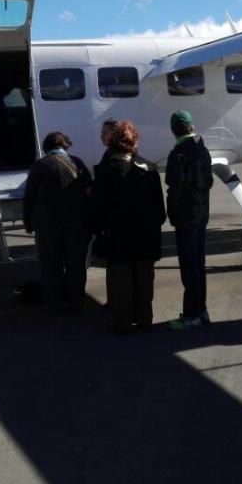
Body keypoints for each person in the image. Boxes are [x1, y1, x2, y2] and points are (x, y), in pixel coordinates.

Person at [93, 121, 166, 334]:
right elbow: (160, 211)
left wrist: (100, 229)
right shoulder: (149, 168)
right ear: (135, 141)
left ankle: (123, 323)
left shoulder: (106, 169)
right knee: (144, 280)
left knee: (121, 282)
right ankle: (144, 320)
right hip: (145, 236)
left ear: (113, 142)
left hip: (119, 237)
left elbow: (99, 207)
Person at [22, 131, 92, 313]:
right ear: (65, 146)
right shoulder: (77, 163)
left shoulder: (39, 165)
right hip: (76, 223)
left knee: (50, 264)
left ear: (46, 148)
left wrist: (28, 222)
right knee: (76, 264)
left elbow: (29, 197)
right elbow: (89, 191)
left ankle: (55, 303)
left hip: (47, 225)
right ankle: (76, 301)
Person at [164, 110, 213, 330]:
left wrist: (172, 215)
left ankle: (191, 315)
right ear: (191, 126)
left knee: (189, 267)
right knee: (199, 265)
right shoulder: (203, 150)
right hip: (201, 215)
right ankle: (201, 311)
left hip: (186, 218)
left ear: (174, 130)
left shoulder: (178, 154)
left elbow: (175, 189)